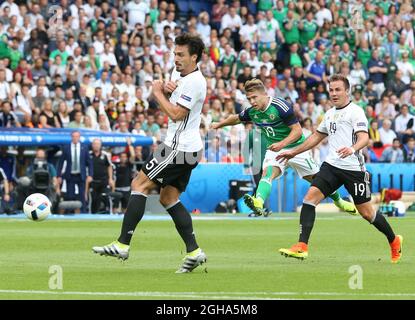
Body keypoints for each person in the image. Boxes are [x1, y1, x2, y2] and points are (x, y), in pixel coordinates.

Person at [93, 34, 207, 273]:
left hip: (178, 148)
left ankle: (123, 244)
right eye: (174, 53)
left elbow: (177, 114)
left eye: (181, 55)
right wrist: (166, 89)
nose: (175, 58)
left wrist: (157, 93)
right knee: (168, 198)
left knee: (139, 183)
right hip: (189, 148)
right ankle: (194, 251)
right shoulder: (180, 74)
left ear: (194, 57)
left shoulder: (196, 81)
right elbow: (174, 99)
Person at [276, 74, 402, 263]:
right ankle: (301, 246)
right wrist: (293, 152)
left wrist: (352, 148)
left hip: (354, 169)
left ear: (347, 91)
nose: (334, 93)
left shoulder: (356, 112)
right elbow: (315, 138)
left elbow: (364, 138)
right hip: (332, 166)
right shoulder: (329, 113)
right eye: (331, 90)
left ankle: (394, 240)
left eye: (338, 89)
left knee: (367, 212)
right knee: (310, 199)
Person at [211, 78, 357, 216]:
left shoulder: (280, 107)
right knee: (267, 174)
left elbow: (298, 131)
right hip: (275, 150)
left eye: (254, 97)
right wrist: (218, 124)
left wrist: (282, 144)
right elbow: (236, 118)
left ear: (264, 94)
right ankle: (258, 202)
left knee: (317, 180)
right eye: (249, 99)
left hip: (296, 148)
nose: (252, 101)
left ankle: (339, 201)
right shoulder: (253, 112)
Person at [57, 131, 93, 213]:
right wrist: (59, 175)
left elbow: (89, 162)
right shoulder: (66, 147)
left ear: (79, 137)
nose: (75, 138)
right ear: (71, 137)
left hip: (81, 175)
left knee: (82, 195)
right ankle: (70, 212)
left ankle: (83, 212)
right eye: (73, 136)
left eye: (77, 136)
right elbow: (61, 162)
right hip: (70, 175)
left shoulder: (84, 147)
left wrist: (90, 174)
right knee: (70, 195)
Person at [89, 139, 115, 213]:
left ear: (100, 145)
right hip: (93, 181)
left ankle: (109, 212)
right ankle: (93, 214)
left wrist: (110, 178)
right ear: (92, 145)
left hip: (104, 180)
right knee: (94, 199)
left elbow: (109, 166)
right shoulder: (89, 154)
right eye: (94, 144)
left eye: (97, 144)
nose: (96, 146)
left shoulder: (105, 155)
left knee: (106, 196)